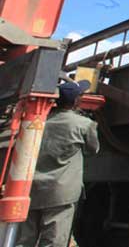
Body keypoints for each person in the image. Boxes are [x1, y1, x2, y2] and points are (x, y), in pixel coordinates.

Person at [17, 80, 99, 247]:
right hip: (61, 193)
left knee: (25, 239)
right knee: (54, 241)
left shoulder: (39, 120)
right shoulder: (84, 124)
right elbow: (93, 149)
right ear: (76, 101)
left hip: (32, 189)